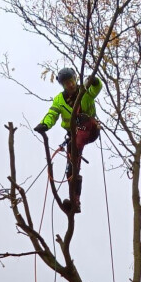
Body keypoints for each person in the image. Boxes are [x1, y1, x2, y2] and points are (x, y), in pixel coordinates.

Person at [34, 68, 102, 211]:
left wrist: (94, 81)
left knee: (78, 141)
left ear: (75, 79)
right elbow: (52, 113)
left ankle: (75, 155)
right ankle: (75, 201)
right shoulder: (59, 99)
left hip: (90, 127)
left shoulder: (84, 91)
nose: (70, 85)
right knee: (70, 169)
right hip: (74, 134)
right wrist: (45, 124)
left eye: (71, 81)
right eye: (66, 83)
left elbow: (96, 88)